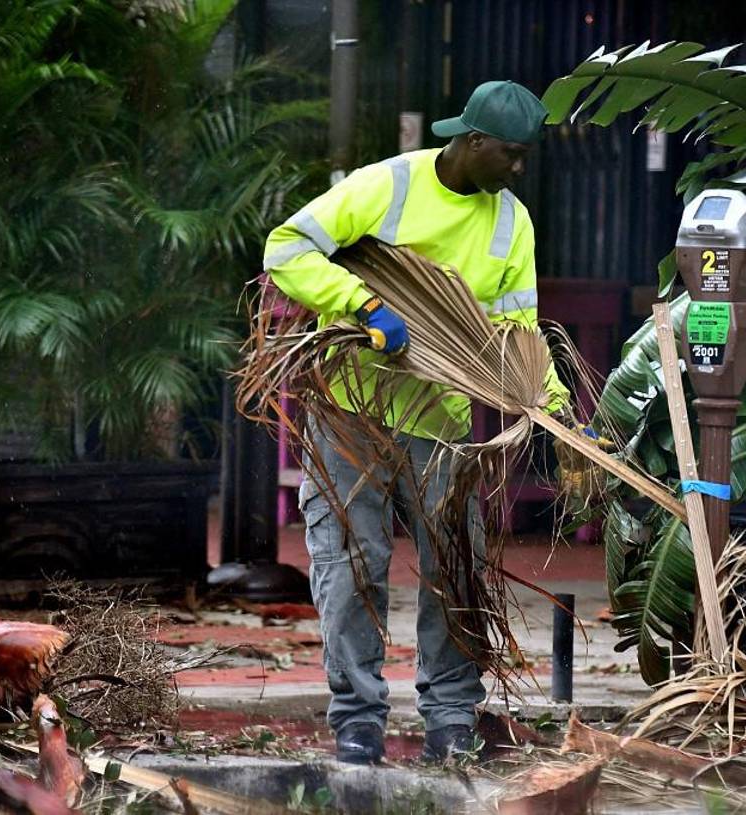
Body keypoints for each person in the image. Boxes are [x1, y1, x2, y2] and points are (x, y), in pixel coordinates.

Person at [262, 80, 577, 765]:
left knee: (455, 570)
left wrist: (560, 413)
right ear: (472, 142)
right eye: (511, 154)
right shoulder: (388, 186)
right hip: (349, 410)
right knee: (350, 564)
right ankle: (358, 718)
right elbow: (285, 249)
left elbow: (518, 332)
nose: (518, 169)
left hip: (440, 425)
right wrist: (364, 305)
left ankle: (450, 718)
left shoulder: (510, 223)